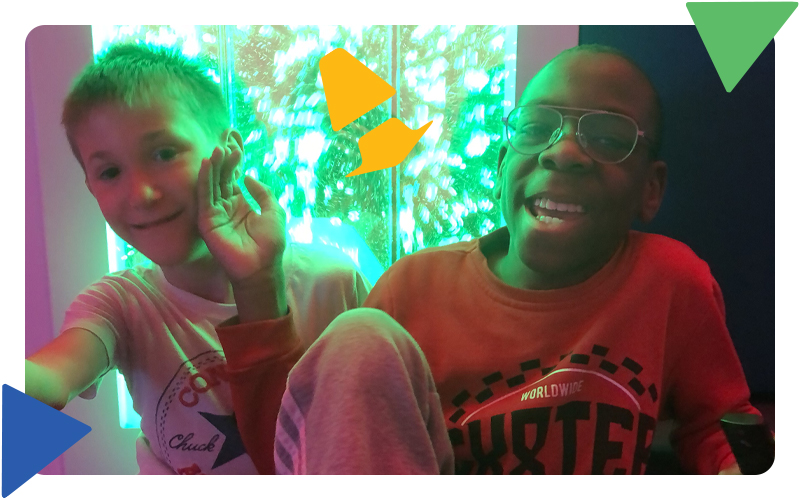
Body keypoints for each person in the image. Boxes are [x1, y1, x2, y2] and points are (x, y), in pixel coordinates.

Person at [239, 44, 762, 475]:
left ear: (652, 189)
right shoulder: (414, 289)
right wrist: (259, 284)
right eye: (536, 129)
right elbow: (299, 458)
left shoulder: (670, 282)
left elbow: (718, 428)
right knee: (358, 333)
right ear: (501, 165)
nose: (565, 152)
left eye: (607, 138)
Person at [25, 44, 370, 475]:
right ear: (91, 188)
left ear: (229, 150)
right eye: (110, 172)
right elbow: (49, 382)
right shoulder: (118, 306)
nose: (142, 194)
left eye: (165, 153)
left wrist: (258, 285)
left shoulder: (332, 283)